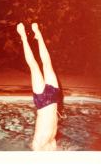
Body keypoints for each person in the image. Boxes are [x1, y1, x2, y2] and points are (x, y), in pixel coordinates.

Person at [16, 22, 61, 151]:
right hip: (53, 99)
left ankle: (23, 36)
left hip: (43, 102)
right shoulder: (51, 145)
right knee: (47, 64)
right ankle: (38, 35)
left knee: (34, 65)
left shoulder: (37, 146)